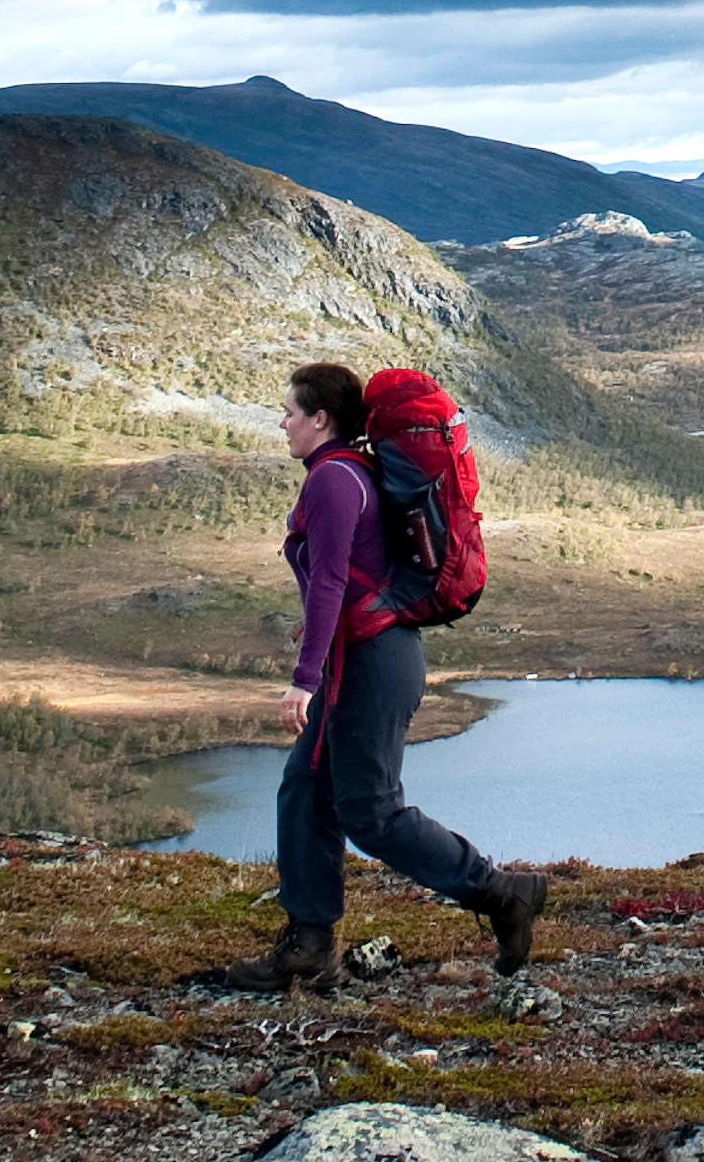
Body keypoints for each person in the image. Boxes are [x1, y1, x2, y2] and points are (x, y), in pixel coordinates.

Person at [205, 362, 554, 992]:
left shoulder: (334, 481)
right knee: (304, 790)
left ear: (321, 419)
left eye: (290, 412)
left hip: (372, 663)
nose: (282, 423)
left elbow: (331, 585)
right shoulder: (345, 474)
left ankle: (503, 893)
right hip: (364, 658)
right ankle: (308, 942)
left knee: (371, 812)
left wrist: (302, 680)